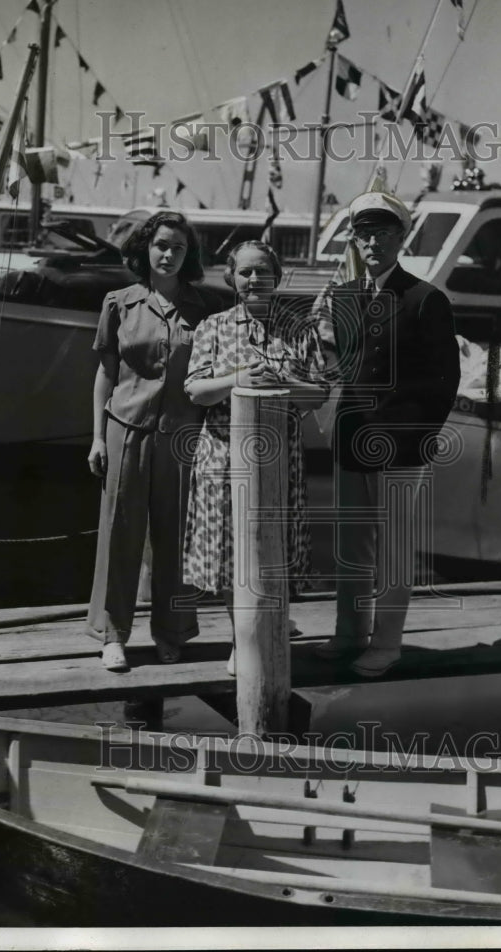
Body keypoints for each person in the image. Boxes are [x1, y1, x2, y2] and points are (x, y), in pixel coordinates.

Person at [312, 191, 460, 676]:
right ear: (355, 240)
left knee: (394, 549)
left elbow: (445, 382)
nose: (372, 242)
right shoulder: (342, 297)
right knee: (352, 544)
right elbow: (335, 368)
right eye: (364, 233)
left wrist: (415, 439)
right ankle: (349, 632)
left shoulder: (426, 298)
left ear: (402, 237)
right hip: (351, 438)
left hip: (402, 447)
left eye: (382, 232)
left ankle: (387, 642)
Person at [183, 240, 329, 675]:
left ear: (276, 276)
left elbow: (318, 393)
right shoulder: (212, 326)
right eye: (245, 272)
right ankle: (240, 639)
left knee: (274, 548)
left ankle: (274, 627)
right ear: (231, 278)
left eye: (262, 271)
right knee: (232, 554)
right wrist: (240, 378)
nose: (253, 280)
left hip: (279, 462)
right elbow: (195, 390)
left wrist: (282, 380)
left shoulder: (299, 330)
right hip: (224, 459)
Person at [87, 211, 214, 672]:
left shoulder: (204, 309)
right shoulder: (118, 303)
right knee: (120, 534)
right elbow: (105, 375)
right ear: (146, 249)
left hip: (184, 440)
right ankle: (112, 634)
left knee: (175, 538)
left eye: (178, 247)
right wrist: (98, 439)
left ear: (188, 255)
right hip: (126, 431)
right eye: (161, 244)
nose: (168, 254)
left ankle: (171, 632)